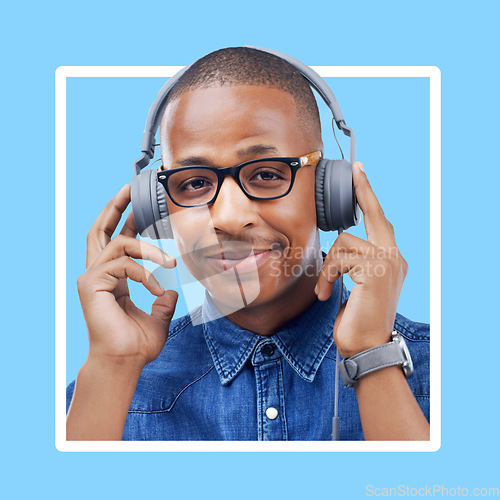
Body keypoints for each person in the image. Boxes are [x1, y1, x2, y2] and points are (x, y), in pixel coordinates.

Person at [66, 47, 430, 441]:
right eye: (194, 183)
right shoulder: (100, 395)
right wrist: (111, 365)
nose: (228, 218)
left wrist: (370, 356)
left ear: (332, 191)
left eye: (268, 174)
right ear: (157, 209)